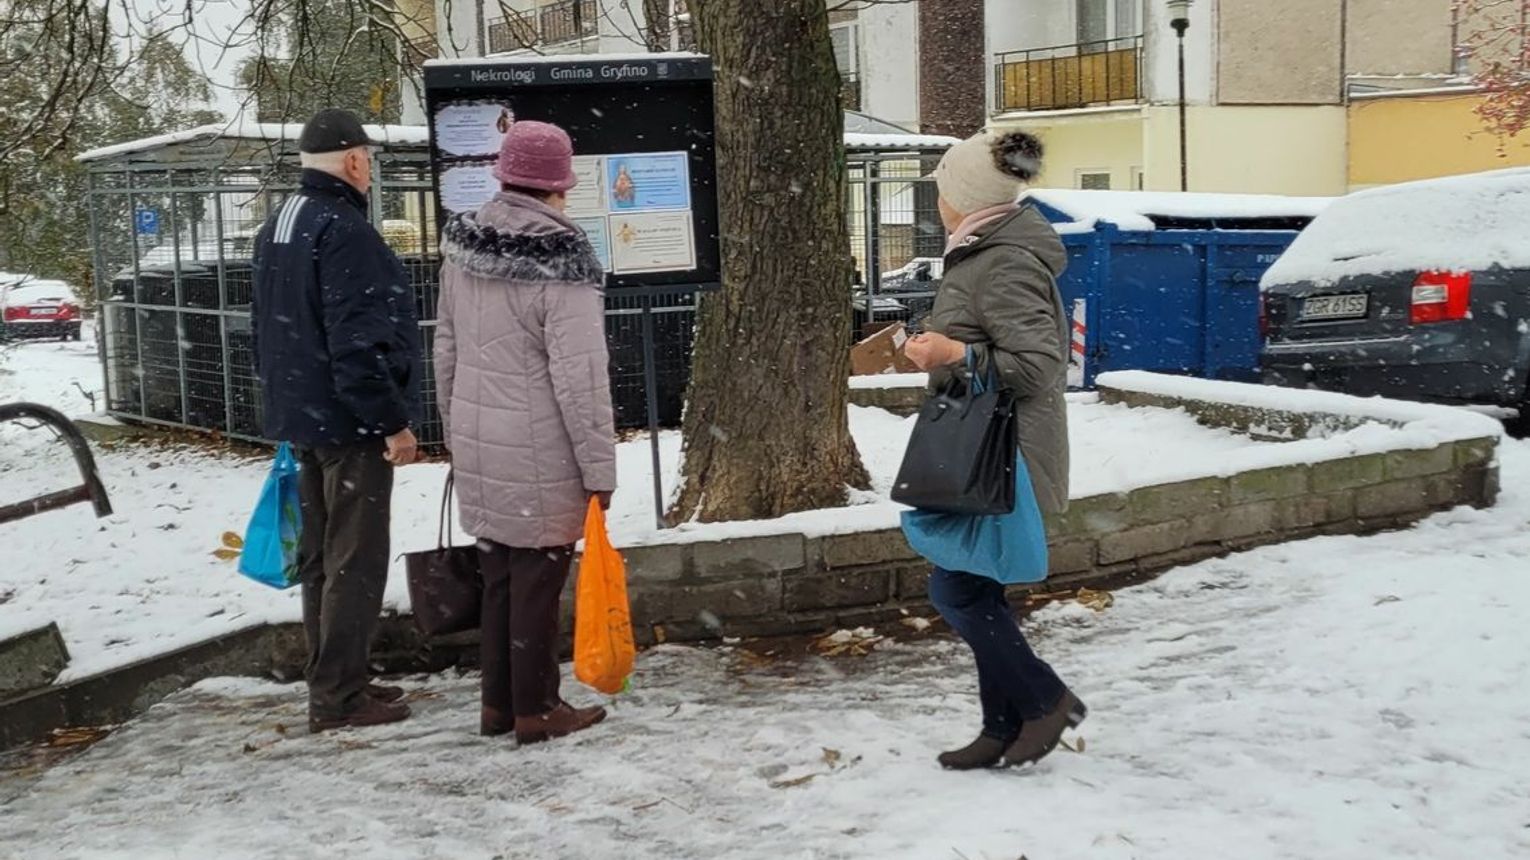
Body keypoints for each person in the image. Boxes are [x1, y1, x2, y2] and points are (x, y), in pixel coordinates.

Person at [903, 129, 1086, 770]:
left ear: (963, 197)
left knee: (958, 592)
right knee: (976, 589)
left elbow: (1038, 366)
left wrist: (954, 353)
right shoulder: (982, 252)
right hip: (986, 451)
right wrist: (944, 347)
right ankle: (1001, 725)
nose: (938, 203)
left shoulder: (1002, 260)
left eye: (941, 192)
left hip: (1004, 457)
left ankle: (1045, 700)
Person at [435, 120, 615, 744]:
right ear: (558, 186)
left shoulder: (463, 243)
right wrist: (600, 470)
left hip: (481, 440)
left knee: (502, 582)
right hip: (544, 450)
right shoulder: (563, 259)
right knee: (538, 583)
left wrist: (458, 430)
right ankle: (537, 709)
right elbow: (581, 378)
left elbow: (446, 346)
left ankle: (497, 706)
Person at [252, 108, 422, 733]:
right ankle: (339, 695)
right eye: (369, 161)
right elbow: (359, 343)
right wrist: (390, 421)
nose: (370, 172)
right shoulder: (344, 230)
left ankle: (335, 677)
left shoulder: (282, 221)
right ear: (354, 161)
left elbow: (274, 327)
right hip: (348, 423)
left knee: (320, 558)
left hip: (302, 416)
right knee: (355, 559)